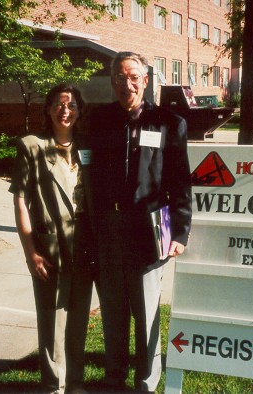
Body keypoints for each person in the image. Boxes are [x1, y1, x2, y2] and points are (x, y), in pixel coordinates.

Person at [89, 51, 192, 392]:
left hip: (150, 229)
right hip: (108, 229)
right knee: (114, 312)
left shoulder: (169, 122)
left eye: (134, 77)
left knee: (146, 313)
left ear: (146, 81)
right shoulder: (98, 119)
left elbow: (180, 180)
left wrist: (180, 230)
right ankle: (114, 378)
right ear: (112, 81)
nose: (126, 84)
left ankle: (146, 383)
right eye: (120, 78)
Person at [9, 83, 95, 393]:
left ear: (79, 111)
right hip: (49, 248)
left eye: (72, 105)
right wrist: (30, 251)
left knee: (78, 319)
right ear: (48, 109)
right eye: (59, 104)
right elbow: (19, 200)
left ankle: (75, 382)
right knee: (51, 320)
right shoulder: (32, 147)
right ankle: (52, 385)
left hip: (84, 248)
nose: (65, 110)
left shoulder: (87, 146)